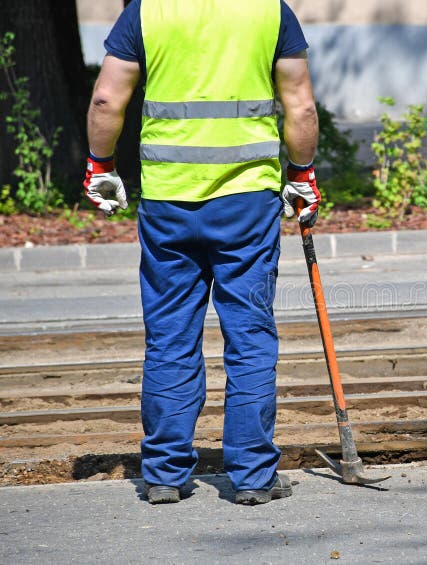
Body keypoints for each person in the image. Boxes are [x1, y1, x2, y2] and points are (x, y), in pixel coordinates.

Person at [83, 0, 321, 504]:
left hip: (169, 203)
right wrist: (302, 176)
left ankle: (166, 474)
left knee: (170, 337)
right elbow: (299, 106)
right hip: (246, 206)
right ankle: (253, 476)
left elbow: (107, 100)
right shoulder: (271, 14)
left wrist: (99, 165)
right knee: (250, 338)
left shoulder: (144, 14)